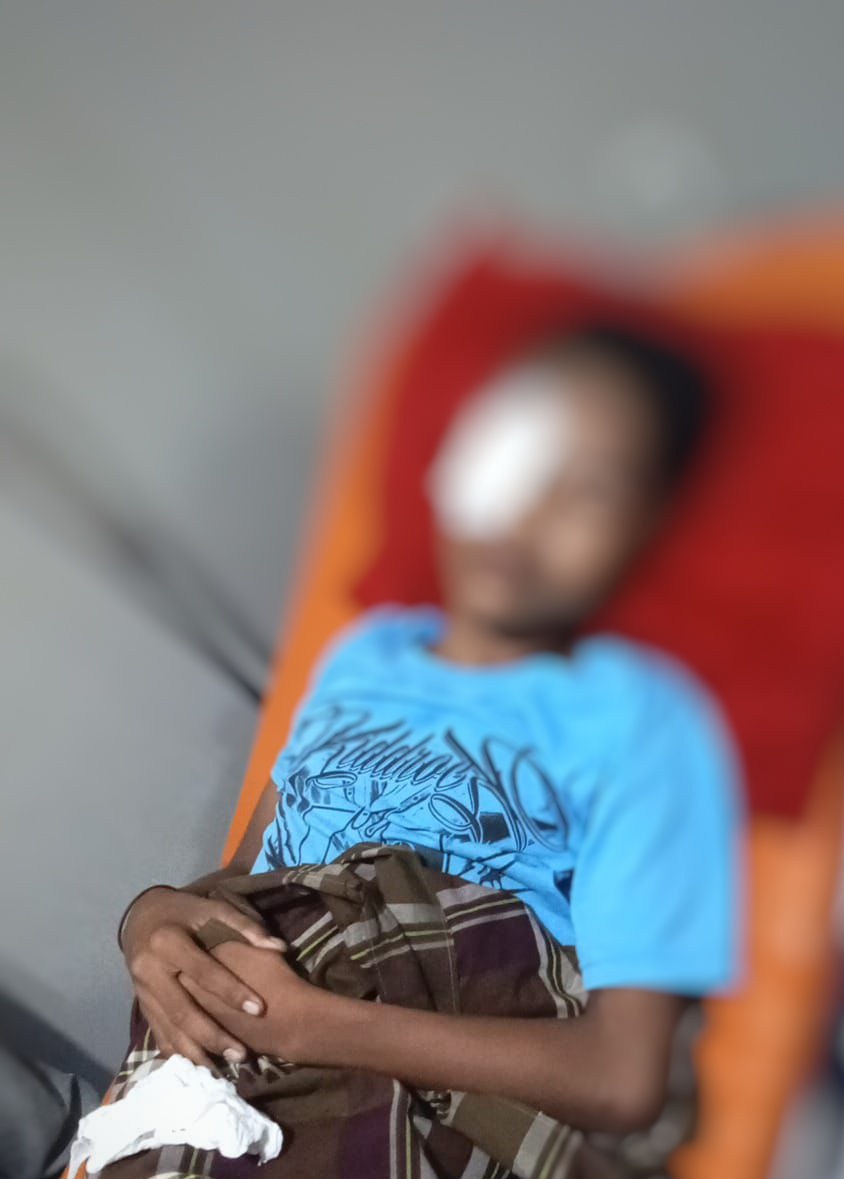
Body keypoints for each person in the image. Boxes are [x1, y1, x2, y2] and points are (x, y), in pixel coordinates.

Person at [118, 324, 743, 1136]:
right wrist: (148, 918)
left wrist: (315, 1028)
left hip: (417, 1068)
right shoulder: (364, 656)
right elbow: (248, 871)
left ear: (648, 531)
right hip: (235, 1048)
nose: (528, 511)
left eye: (589, 489)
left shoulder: (638, 722)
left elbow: (623, 1075)